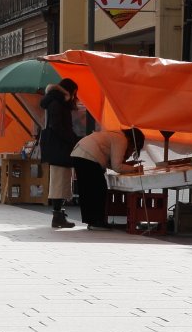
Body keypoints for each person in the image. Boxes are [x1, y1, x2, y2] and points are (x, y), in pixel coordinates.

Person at [71, 127, 145, 231]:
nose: (132, 150)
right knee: (99, 189)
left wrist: (127, 166)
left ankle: (92, 221)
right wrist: (134, 169)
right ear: (135, 141)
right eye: (134, 148)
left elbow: (113, 164)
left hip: (81, 153)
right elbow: (117, 167)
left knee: (87, 190)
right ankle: (96, 221)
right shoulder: (121, 139)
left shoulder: (115, 134)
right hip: (89, 156)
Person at [39, 78, 79, 228]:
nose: (75, 96)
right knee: (58, 181)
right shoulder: (57, 103)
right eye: (74, 93)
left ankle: (59, 214)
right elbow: (57, 125)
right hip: (59, 147)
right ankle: (57, 215)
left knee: (62, 180)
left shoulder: (57, 102)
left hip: (60, 147)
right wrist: (70, 139)